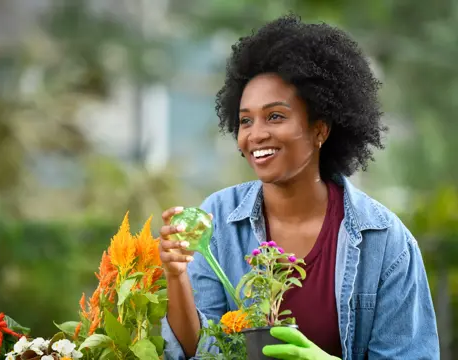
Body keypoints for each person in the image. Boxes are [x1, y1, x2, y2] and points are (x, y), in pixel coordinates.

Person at [159, 14, 439, 360]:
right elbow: (202, 351)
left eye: (275, 116)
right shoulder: (217, 220)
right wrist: (176, 277)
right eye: (246, 120)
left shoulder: (385, 242)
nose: (256, 134)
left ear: (320, 130)